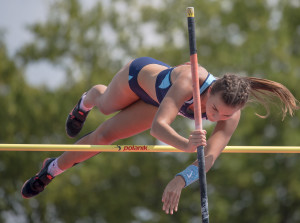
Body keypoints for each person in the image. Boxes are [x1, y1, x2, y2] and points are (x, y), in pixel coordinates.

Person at [21, 57, 298, 213]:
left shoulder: (231, 115)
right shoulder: (192, 80)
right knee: (105, 107)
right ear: (210, 91)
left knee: (104, 138)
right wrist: (184, 145)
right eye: (213, 109)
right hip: (137, 79)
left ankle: (50, 169)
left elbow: (209, 159)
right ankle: (88, 99)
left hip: (157, 104)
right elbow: (158, 127)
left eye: (224, 115)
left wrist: (180, 179)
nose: (216, 118)